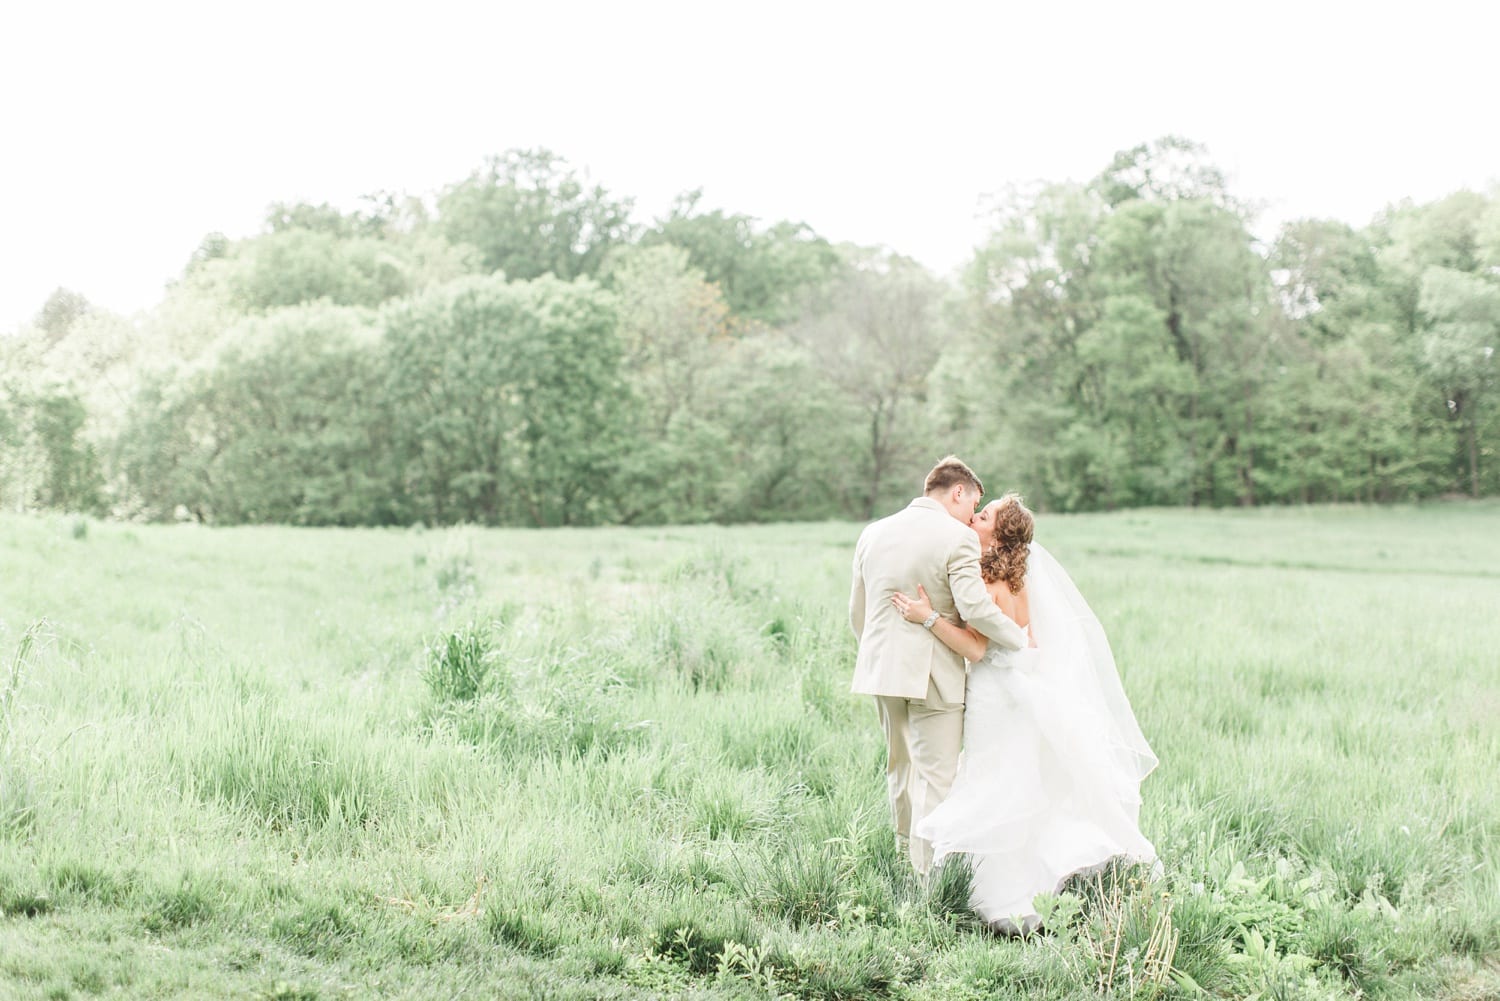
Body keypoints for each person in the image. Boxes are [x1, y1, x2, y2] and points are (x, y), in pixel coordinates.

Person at [891, 494, 1158, 933]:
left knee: (992, 782)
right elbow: (1028, 641)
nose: (976, 517)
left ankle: (995, 897)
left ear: (997, 533)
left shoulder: (988, 584)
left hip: (994, 696)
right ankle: (1022, 887)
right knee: (1015, 783)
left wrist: (927, 618)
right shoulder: (1019, 581)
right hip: (1018, 692)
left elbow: (977, 649)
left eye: (985, 514)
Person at [849, 456, 1030, 875]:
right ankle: (927, 876)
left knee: (900, 767)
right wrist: (1019, 639)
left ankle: (901, 861)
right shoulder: (957, 538)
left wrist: (880, 652)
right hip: (935, 673)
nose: (972, 519)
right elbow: (975, 609)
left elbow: (858, 613)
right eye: (974, 506)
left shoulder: (872, 532)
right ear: (958, 491)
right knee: (936, 777)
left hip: (882, 669)